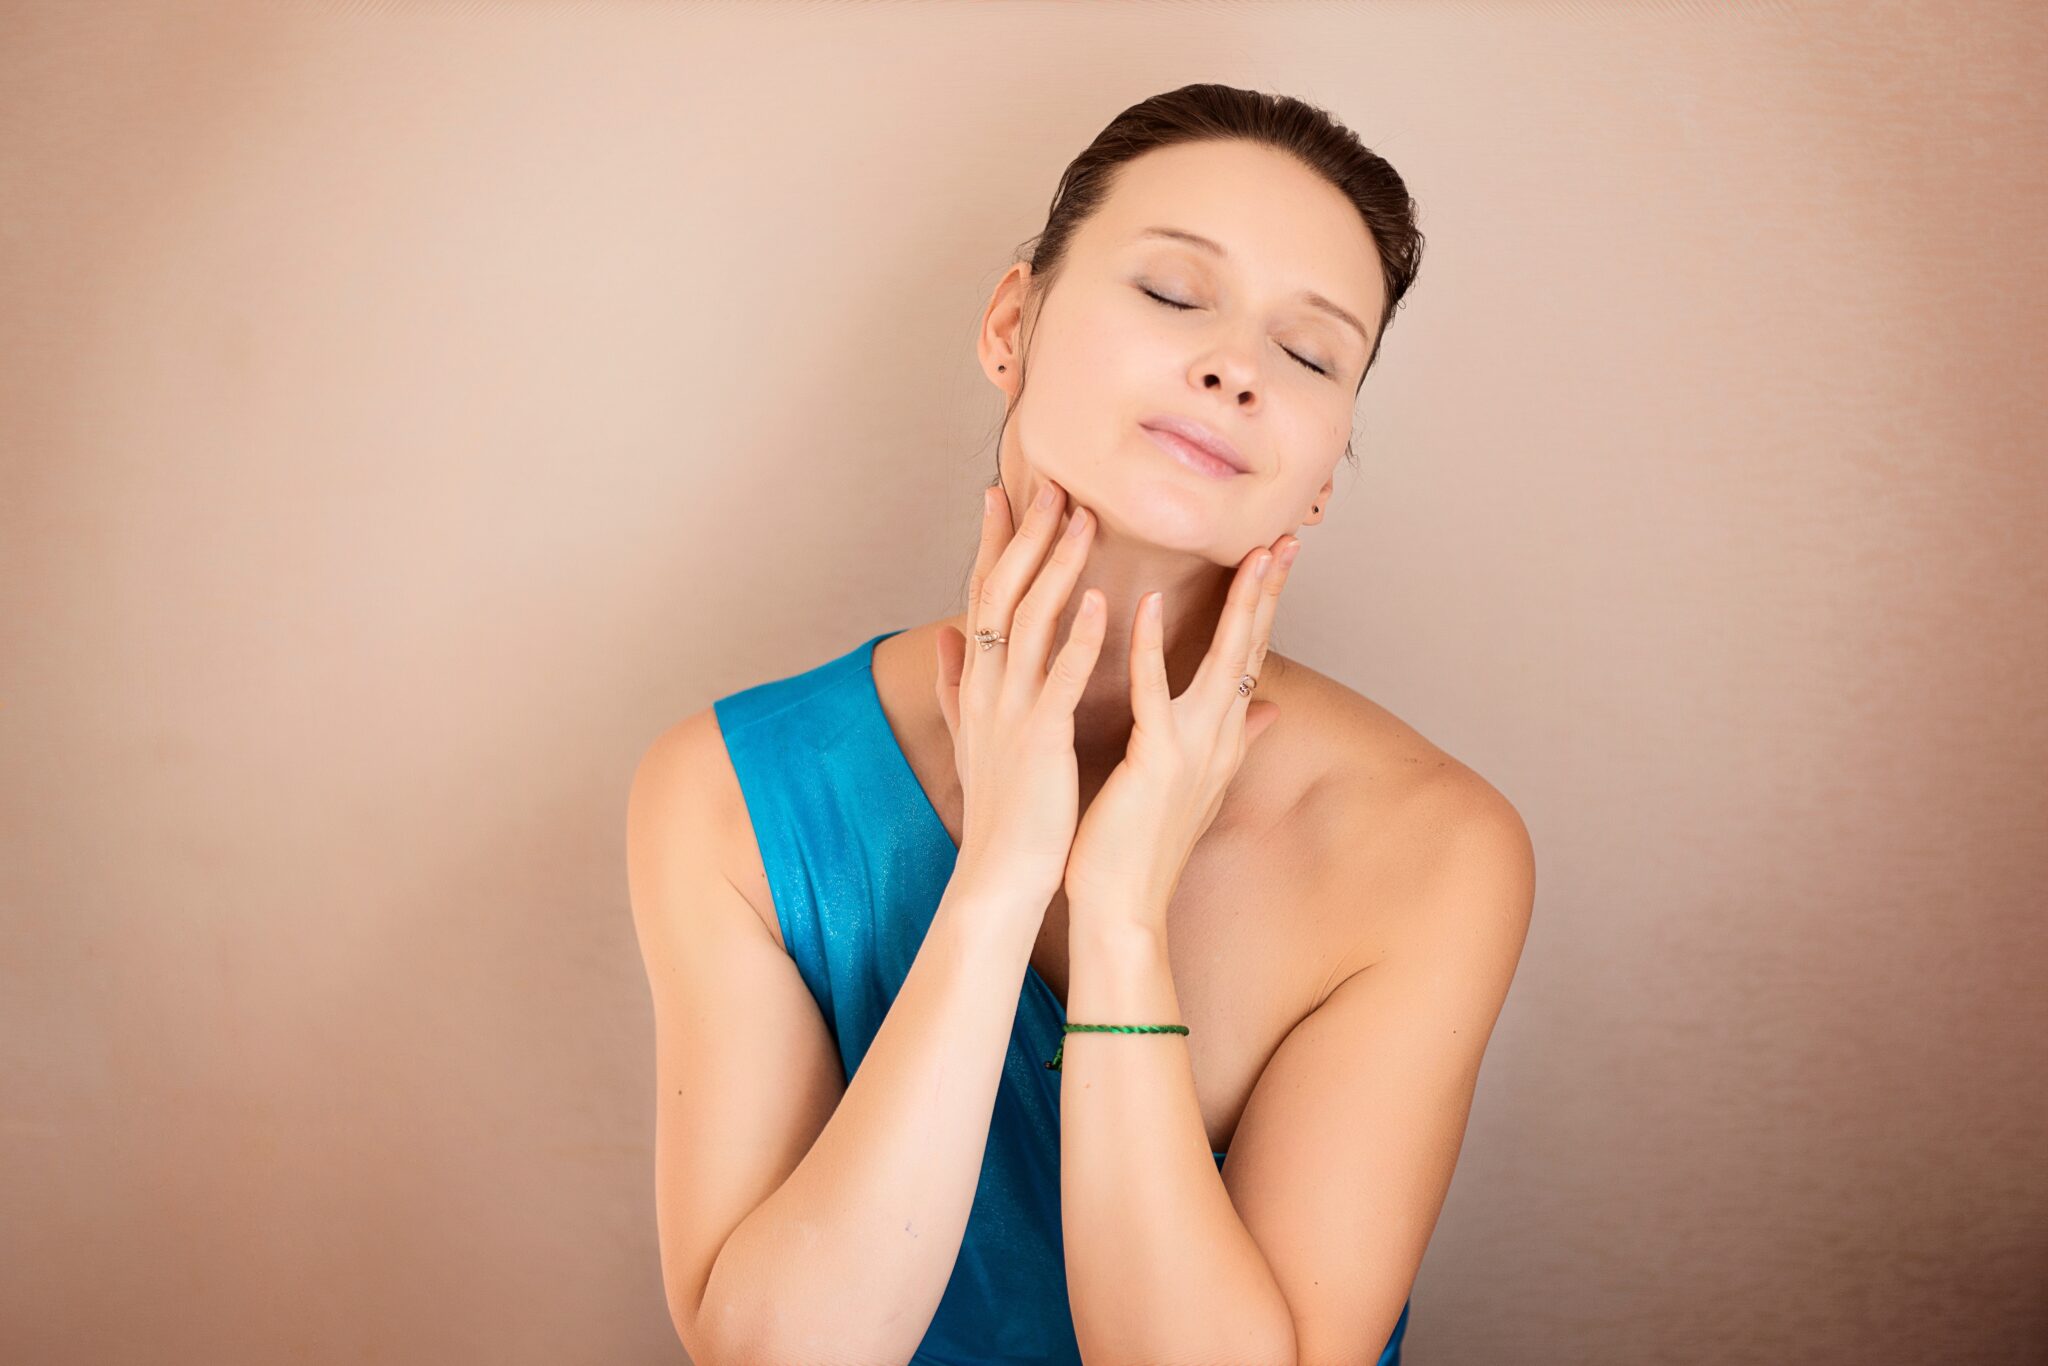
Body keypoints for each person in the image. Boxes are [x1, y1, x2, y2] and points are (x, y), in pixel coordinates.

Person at [628, 82, 1532, 1366]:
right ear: (1012, 322)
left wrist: (1119, 923)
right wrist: (995, 883)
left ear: (1323, 470)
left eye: (1312, 354)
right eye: (1172, 293)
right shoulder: (726, 791)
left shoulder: (1432, 848)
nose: (1234, 368)